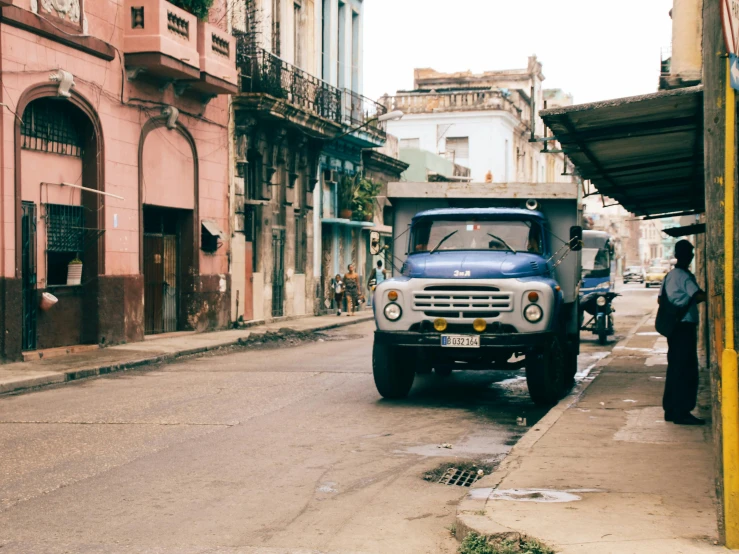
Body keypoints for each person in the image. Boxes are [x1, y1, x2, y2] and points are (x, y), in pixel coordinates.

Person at [660, 239, 707, 425]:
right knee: (687, 370)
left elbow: (660, 301)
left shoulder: (669, 276)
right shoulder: (684, 276)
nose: (693, 255)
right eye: (691, 253)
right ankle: (682, 411)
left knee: (674, 368)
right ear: (687, 255)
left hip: (673, 328)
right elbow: (698, 295)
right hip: (685, 327)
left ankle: (670, 409)